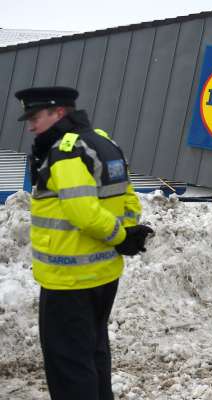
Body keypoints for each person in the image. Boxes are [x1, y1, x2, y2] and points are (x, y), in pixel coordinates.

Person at [16, 86, 154, 400]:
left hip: (69, 279)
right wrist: (126, 234)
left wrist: (120, 237)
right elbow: (128, 198)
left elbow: (83, 212)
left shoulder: (64, 152)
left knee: (69, 366)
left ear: (59, 112)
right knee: (93, 354)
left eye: (36, 117)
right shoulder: (102, 142)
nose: (30, 125)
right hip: (103, 273)